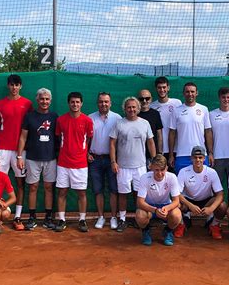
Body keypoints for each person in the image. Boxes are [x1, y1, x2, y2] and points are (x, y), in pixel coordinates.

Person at [110, 96, 155, 232]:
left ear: (138, 108)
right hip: (122, 166)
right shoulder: (119, 123)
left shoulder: (145, 123)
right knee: (123, 194)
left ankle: (139, 219)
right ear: (125, 109)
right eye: (129, 107)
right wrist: (113, 161)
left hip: (140, 166)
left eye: (134, 107)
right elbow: (112, 143)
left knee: (139, 194)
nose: (131, 109)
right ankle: (122, 220)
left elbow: (151, 142)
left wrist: (154, 161)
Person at [0, 74, 32, 231]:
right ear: (8, 86)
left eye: (17, 85)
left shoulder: (28, 104)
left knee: (20, 183)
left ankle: (17, 217)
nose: (14, 88)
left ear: (20, 86)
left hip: (20, 151)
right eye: (11, 85)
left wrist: (21, 149)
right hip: (2, 149)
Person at [17, 88, 58, 230]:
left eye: (47, 99)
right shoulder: (29, 116)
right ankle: (32, 217)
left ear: (50, 101)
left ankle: (48, 218)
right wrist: (19, 155)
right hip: (32, 158)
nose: (44, 101)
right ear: (37, 100)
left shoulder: (54, 117)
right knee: (33, 187)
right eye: (42, 99)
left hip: (51, 158)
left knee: (48, 187)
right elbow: (23, 137)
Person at [54, 92, 94, 232]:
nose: (75, 104)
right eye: (72, 102)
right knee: (62, 192)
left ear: (81, 103)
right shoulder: (61, 120)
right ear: (68, 103)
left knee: (81, 193)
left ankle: (82, 220)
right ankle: (61, 220)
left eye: (77, 102)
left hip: (80, 164)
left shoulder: (87, 121)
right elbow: (59, 138)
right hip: (63, 163)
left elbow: (89, 138)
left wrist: (84, 152)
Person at [176, 146, 226, 239]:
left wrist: (211, 208)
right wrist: (190, 205)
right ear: (191, 158)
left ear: (204, 158)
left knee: (222, 206)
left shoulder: (211, 172)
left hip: (206, 202)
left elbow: (220, 194)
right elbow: (177, 193)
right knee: (176, 203)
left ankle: (214, 225)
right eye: (195, 157)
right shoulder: (184, 171)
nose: (198, 160)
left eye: (200, 157)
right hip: (188, 202)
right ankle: (181, 223)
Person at [88, 92, 121, 229]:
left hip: (112, 160)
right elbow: (85, 139)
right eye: (101, 102)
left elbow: (120, 141)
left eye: (106, 101)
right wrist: (86, 153)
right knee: (98, 190)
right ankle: (101, 217)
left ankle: (113, 217)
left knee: (114, 189)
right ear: (97, 103)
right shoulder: (90, 118)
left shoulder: (118, 118)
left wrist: (116, 159)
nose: (104, 104)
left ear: (110, 103)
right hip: (95, 160)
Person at [136, 154, 182, 246]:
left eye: (162, 170)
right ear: (151, 167)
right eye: (156, 170)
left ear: (166, 168)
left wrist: (167, 208)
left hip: (165, 206)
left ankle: (168, 231)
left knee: (177, 215)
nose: (160, 173)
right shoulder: (144, 178)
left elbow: (176, 201)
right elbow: (140, 202)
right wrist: (155, 210)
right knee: (140, 215)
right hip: (149, 207)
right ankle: (146, 231)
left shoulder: (172, 177)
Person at [168, 82, 213, 175]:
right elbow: (172, 133)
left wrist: (210, 153)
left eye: (192, 91)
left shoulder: (203, 109)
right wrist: (171, 155)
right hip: (182, 155)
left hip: (200, 154)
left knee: (203, 185)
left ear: (197, 93)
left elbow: (208, 132)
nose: (190, 94)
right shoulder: (176, 111)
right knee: (181, 187)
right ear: (184, 93)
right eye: (187, 92)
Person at [150, 76, 182, 168]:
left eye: (164, 87)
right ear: (156, 89)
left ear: (168, 88)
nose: (162, 90)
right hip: (159, 150)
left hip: (175, 149)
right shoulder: (152, 106)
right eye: (159, 87)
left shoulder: (177, 103)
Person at [137, 89, 163, 162]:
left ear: (151, 99)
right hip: (138, 155)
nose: (144, 101)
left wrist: (160, 153)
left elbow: (159, 135)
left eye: (147, 98)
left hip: (152, 155)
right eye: (141, 99)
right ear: (138, 100)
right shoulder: (134, 115)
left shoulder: (155, 114)